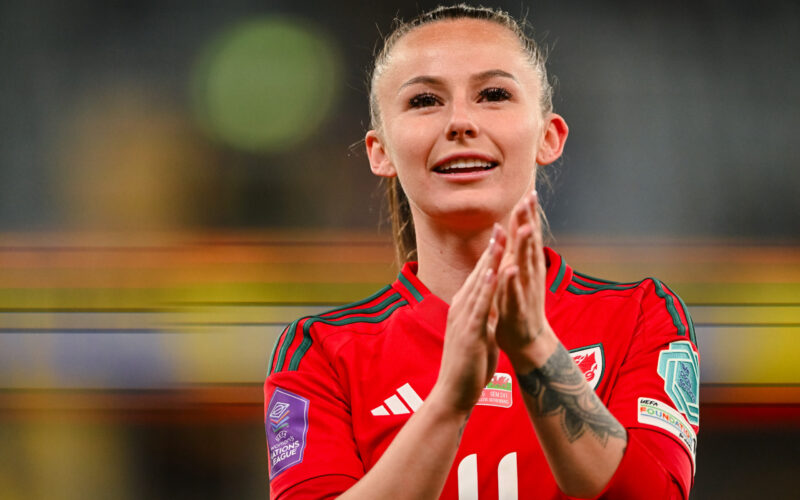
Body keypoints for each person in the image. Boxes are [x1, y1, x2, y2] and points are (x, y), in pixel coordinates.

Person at [264, 4, 699, 499]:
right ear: (379, 151)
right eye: (425, 100)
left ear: (548, 136)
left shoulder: (640, 315)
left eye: (494, 94)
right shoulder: (320, 352)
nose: (460, 122)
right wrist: (450, 400)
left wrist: (535, 346)